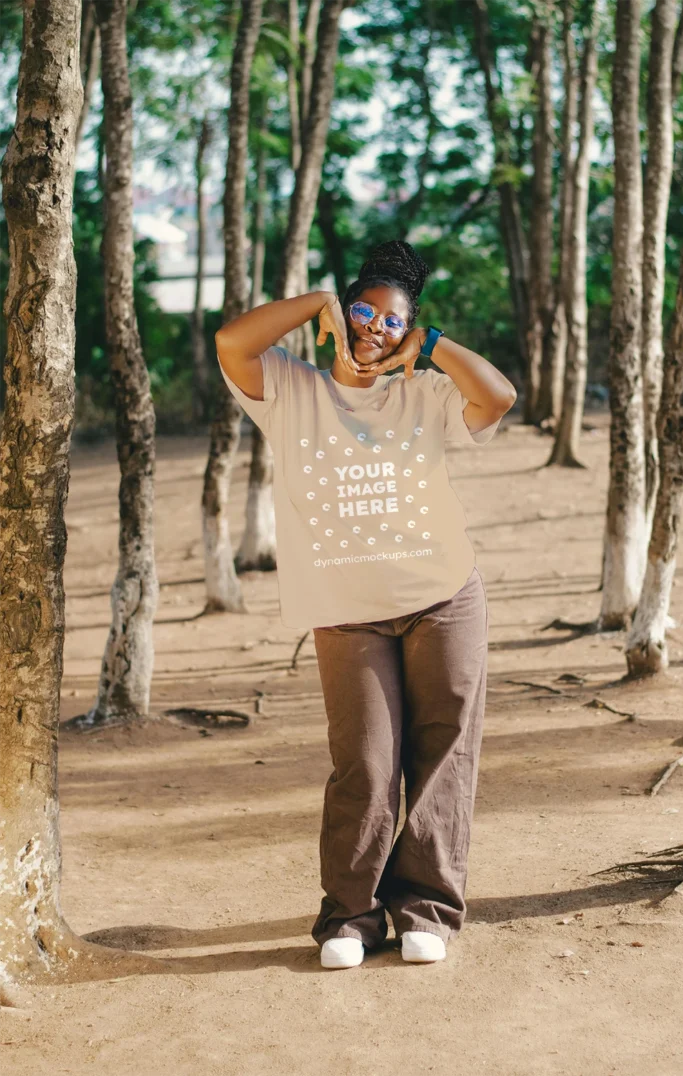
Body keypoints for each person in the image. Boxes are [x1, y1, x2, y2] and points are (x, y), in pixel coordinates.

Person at [215, 239, 516, 969]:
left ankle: (428, 909)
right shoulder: (290, 389)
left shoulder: (426, 393)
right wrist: (315, 303)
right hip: (347, 611)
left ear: (408, 330)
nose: (374, 328)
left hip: (442, 596)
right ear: (341, 315)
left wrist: (432, 346)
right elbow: (231, 340)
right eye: (361, 311)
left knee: (444, 754)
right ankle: (350, 915)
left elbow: (498, 394)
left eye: (393, 320)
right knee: (366, 765)